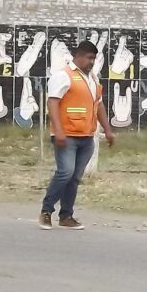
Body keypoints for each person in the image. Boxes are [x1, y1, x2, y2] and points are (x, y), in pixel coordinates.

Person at [39, 40, 114, 231]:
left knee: (75, 177)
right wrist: (58, 130)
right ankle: (46, 211)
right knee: (65, 173)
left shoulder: (93, 79)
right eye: (89, 58)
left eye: (94, 59)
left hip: (87, 137)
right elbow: (53, 103)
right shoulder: (63, 76)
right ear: (78, 56)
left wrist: (107, 129)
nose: (92, 62)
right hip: (67, 136)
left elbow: (99, 105)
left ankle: (66, 216)